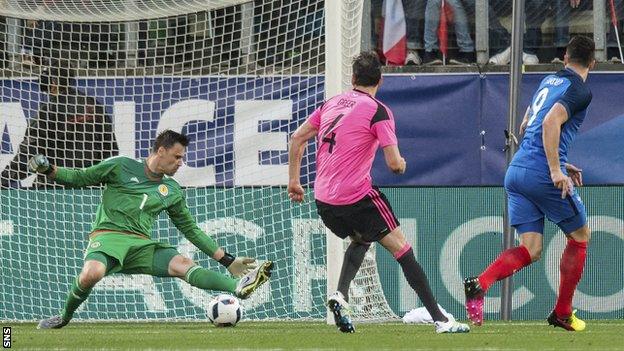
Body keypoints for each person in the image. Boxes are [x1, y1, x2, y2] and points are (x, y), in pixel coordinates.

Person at [287, 51, 469, 334]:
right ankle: (441, 320)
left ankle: (341, 295)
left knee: (362, 237)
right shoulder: (378, 111)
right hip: (356, 196)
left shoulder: (331, 103)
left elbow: (297, 138)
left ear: (353, 78)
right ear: (380, 81)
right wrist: (402, 164)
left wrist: (294, 182)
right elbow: (395, 164)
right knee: (402, 248)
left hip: (323, 200)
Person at [34, 130, 273, 329]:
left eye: (182, 158)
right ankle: (64, 317)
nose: (181, 163)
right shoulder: (120, 166)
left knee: (183, 264)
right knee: (91, 274)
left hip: (141, 245)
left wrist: (227, 260)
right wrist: (48, 169)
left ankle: (239, 287)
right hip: (109, 237)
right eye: (177, 157)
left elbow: (190, 229)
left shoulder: (171, 190)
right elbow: (79, 177)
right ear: (161, 151)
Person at [464, 36, 595, 331]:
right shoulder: (579, 90)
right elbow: (549, 123)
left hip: (517, 170)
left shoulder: (550, 81)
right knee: (581, 236)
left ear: (564, 57)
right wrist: (554, 169)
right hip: (541, 173)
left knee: (531, 249)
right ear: (593, 63)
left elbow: (527, 123)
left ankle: (480, 283)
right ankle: (562, 313)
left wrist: (559, 161)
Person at [0, 61, 118, 188]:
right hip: (90, 186)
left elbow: (29, 153)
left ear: (53, 82)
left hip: (56, 186)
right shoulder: (94, 106)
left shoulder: (48, 110)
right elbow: (110, 150)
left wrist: (5, 178)